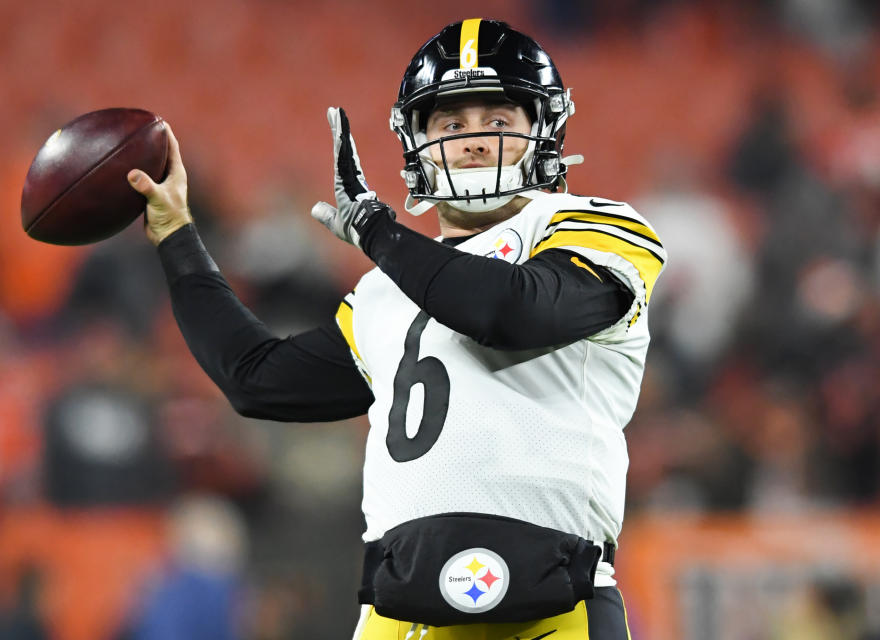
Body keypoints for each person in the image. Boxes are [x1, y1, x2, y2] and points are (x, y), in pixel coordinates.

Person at [128, 18, 666, 640]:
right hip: (400, 612)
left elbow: (509, 311)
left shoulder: (594, 226)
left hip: (553, 604)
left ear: (543, 128)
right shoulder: (384, 292)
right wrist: (177, 236)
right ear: (416, 139)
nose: (473, 141)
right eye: (451, 124)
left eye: (497, 121)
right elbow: (257, 379)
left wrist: (380, 234)